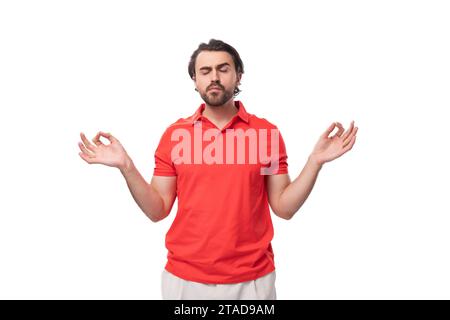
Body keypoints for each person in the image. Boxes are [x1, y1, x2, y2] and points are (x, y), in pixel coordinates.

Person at [78, 39, 358, 300]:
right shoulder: (175, 135)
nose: (214, 77)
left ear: (238, 76)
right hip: (185, 280)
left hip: (252, 281)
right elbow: (157, 209)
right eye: (205, 71)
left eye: (223, 69)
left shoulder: (266, 134)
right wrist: (126, 166)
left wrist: (315, 162)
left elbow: (284, 207)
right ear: (195, 80)